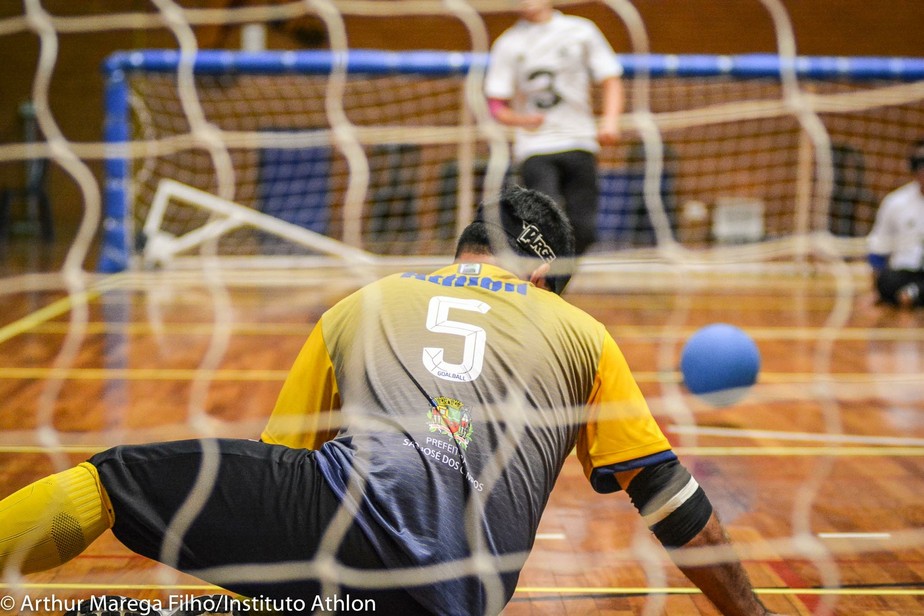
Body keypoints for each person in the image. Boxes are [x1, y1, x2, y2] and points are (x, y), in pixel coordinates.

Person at [0, 186, 774, 616]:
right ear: (546, 278)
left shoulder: (363, 302)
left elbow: (284, 459)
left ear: (466, 251)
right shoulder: (584, 335)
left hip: (336, 531)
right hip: (464, 593)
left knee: (111, 479)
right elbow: (671, 499)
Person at [484, 0, 625, 255]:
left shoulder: (581, 30)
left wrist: (610, 120)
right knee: (544, 223)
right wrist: (521, 120)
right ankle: (539, 280)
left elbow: (611, 78)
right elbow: (496, 105)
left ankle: (557, 282)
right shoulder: (508, 43)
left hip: (579, 139)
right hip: (536, 146)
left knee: (584, 228)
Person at [867, 139, 924, 308]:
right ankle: (913, 294)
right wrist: (874, 291)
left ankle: (912, 294)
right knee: (886, 282)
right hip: (905, 272)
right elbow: (878, 245)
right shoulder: (895, 202)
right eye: (919, 164)